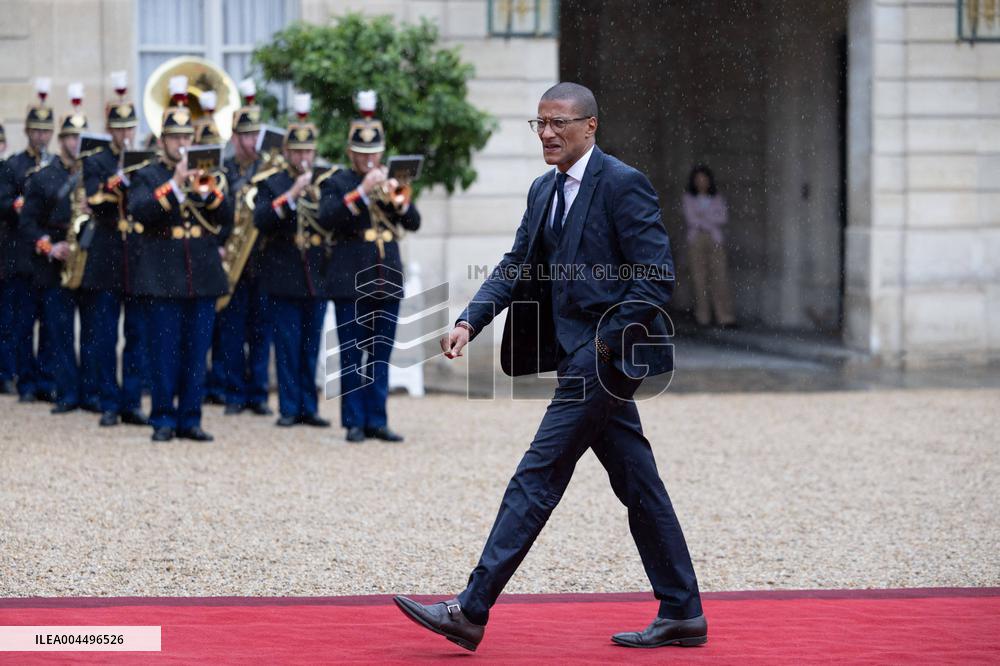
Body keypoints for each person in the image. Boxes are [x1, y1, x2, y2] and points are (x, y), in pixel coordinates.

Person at [393, 82, 706, 651]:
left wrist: (603, 349)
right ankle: (683, 611)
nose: (547, 133)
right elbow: (517, 266)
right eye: (539, 123)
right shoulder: (542, 191)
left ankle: (471, 608)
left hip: (604, 360)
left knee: (537, 476)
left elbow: (654, 277)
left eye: (559, 123)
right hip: (572, 358)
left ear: (591, 127)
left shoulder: (623, 184)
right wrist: (469, 321)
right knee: (639, 484)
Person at [127, 76, 232, 442]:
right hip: (162, 274)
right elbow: (141, 211)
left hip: (201, 272)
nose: (183, 144)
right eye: (176, 138)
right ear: (162, 141)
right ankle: (163, 418)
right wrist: (173, 184)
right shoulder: (148, 174)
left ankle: (191, 418)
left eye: (187, 138)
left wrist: (208, 191)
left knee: (196, 352)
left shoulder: (209, 174)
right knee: (163, 353)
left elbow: (227, 218)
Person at [318, 90, 420, 444]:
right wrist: (362, 191)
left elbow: (414, 222)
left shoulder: (392, 181)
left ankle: (377, 419)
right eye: (362, 154)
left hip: (386, 279)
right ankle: (353, 421)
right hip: (350, 280)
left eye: (373, 153)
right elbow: (327, 217)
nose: (368, 159)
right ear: (351, 153)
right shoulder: (338, 181)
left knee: (380, 354)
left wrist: (400, 200)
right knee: (350, 354)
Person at [252, 93, 330, 429]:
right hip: (284, 273)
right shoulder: (273, 182)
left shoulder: (325, 182)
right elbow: (261, 219)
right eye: (297, 151)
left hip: (316, 273)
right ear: (287, 153)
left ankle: (308, 407)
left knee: (311, 347)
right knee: (287, 345)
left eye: (307, 152)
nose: (303, 157)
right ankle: (288, 406)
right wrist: (292, 195)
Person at [80, 73, 149, 426]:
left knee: (136, 333)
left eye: (130, 129)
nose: (126, 136)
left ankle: (131, 400)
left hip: (136, 255)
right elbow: (94, 199)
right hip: (107, 250)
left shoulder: (145, 159)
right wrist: (118, 178)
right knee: (105, 334)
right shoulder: (96, 160)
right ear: (110, 130)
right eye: (120, 130)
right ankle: (108, 400)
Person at [20, 83, 89, 414]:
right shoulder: (45, 177)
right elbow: (27, 224)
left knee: (92, 334)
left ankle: (90, 393)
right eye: (71, 138)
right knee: (58, 333)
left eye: (80, 138)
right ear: (61, 141)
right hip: (54, 261)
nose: (76, 143)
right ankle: (66, 392)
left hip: (87, 260)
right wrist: (50, 247)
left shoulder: (94, 174)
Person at [215, 79, 273, 417]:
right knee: (232, 332)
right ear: (235, 138)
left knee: (261, 332)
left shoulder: (268, 172)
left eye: (255, 136)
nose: (252, 142)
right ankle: (234, 393)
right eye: (246, 136)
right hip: (232, 262)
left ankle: (259, 394)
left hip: (262, 262)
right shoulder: (223, 172)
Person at [0, 78, 57, 403]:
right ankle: (24, 380)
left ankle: (45, 380)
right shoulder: (14, 165)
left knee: (49, 326)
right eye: (36, 130)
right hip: (21, 254)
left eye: (45, 131)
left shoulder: (55, 165)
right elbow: (6, 201)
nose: (41, 136)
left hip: (46, 256)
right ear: (27, 131)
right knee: (20, 325)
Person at [682, 164, 736, 329]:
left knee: (719, 277)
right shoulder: (688, 198)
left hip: (714, 238)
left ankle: (724, 316)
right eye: (698, 180)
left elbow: (723, 218)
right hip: (696, 238)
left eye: (704, 180)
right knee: (699, 278)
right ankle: (703, 316)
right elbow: (691, 219)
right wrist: (709, 217)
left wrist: (703, 217)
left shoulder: (717, 198)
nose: (701, 183)